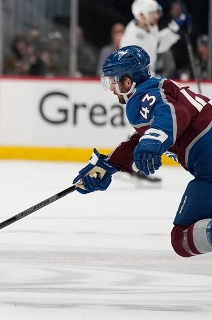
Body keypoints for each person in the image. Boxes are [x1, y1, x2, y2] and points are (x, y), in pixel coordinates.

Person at [73, 45, 212, 260]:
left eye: (113, 81)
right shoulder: (157, 88)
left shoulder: (139, 99)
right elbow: (145, 135)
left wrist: (154, 139)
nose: (111, 88)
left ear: (127, 82)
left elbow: (174, 114)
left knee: (181, 239)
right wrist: (110, 164)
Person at [118, 0, 188, 187]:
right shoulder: (134, 36)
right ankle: (134, 167)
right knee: (142, 125)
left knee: (143, 124)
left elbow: (159, 43)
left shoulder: (149, 29)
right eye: (152, 13)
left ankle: (132, 166)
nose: (156, 16)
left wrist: (176, 28)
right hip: (136, 86)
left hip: (143, 84)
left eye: (156, 12)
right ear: (141, 16)